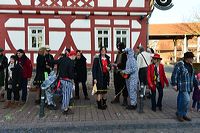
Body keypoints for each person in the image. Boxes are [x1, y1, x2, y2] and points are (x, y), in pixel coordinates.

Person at [171, 52, 199, 122]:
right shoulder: (180, 64)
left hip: (189, 86)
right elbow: (174, 74)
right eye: (192, 58)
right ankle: (180, 114)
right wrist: (174, 84)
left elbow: (193, 77)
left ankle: (183, 114)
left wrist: (197, 84)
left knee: (183, 101)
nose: (193, 59)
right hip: (182, 86)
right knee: (186, 100)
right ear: (188, 58)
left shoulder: (190, 65)